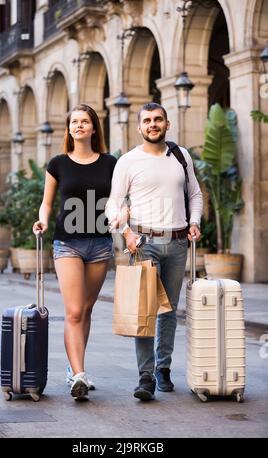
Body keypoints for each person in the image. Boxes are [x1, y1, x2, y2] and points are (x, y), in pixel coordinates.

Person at [106, 102, 203, 401]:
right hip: (143, 244)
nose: (152, 124)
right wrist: (126, 233)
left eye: (157, 119)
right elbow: (112, 204)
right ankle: (145, 376)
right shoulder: (127, 161)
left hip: (177, 243)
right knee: (145, 310)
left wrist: (194, 222)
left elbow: (195, 194)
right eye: (147, 120)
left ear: (167, 124)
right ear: (139, 127)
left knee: (170, 311)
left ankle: (164, 368)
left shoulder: (180, 155)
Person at [33, 104, 116, 401]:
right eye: (74, 122)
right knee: (75, 311)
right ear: (68, 129)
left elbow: (118, 201)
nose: (79, 125)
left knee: (87, 310)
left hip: (100, 244)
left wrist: (124, 217)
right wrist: (42, 219)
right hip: (67, 242)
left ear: (94, 128)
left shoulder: (110, 163)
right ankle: (79, 375)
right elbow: (47, 202)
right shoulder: (58, 164)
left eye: (85, 121)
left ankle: (74, 368)